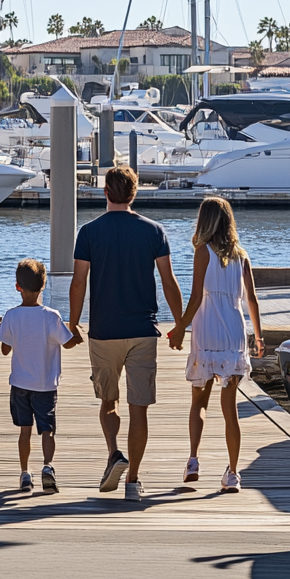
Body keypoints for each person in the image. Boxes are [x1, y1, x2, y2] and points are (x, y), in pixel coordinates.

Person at [69, 165, 183, 500]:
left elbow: (78, 283)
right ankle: (133, 480)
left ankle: (114, 452)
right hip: (144, 331)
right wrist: (179, 324)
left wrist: (74, 323)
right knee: (139, 408)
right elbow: (168, 281)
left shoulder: (88, 233)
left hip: (103, 332)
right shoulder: (154, 231)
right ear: (135, 194)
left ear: (105, 192)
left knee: (108, 402)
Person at [168, 197, 264, 493]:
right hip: (233, 332)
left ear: (204, 221)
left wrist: (179, 328)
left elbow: (196, 298)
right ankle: (233, 474)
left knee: (199, 401)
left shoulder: (202, 252)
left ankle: (194, 460)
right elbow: (252, 300)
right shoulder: (242, 256)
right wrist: (258, 338)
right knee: (229, 407)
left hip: (207, 329)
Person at [0, 258, 81, 494]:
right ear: (43, 286)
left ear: (17, 287)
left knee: (25, 430)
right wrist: (75, 334)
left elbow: (4, 349)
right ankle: (47, 467)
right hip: (45, 384)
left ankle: (25, 473)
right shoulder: (51, 316)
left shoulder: (11, 316)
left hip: (20, 384)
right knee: (47, 429)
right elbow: (67, 344)